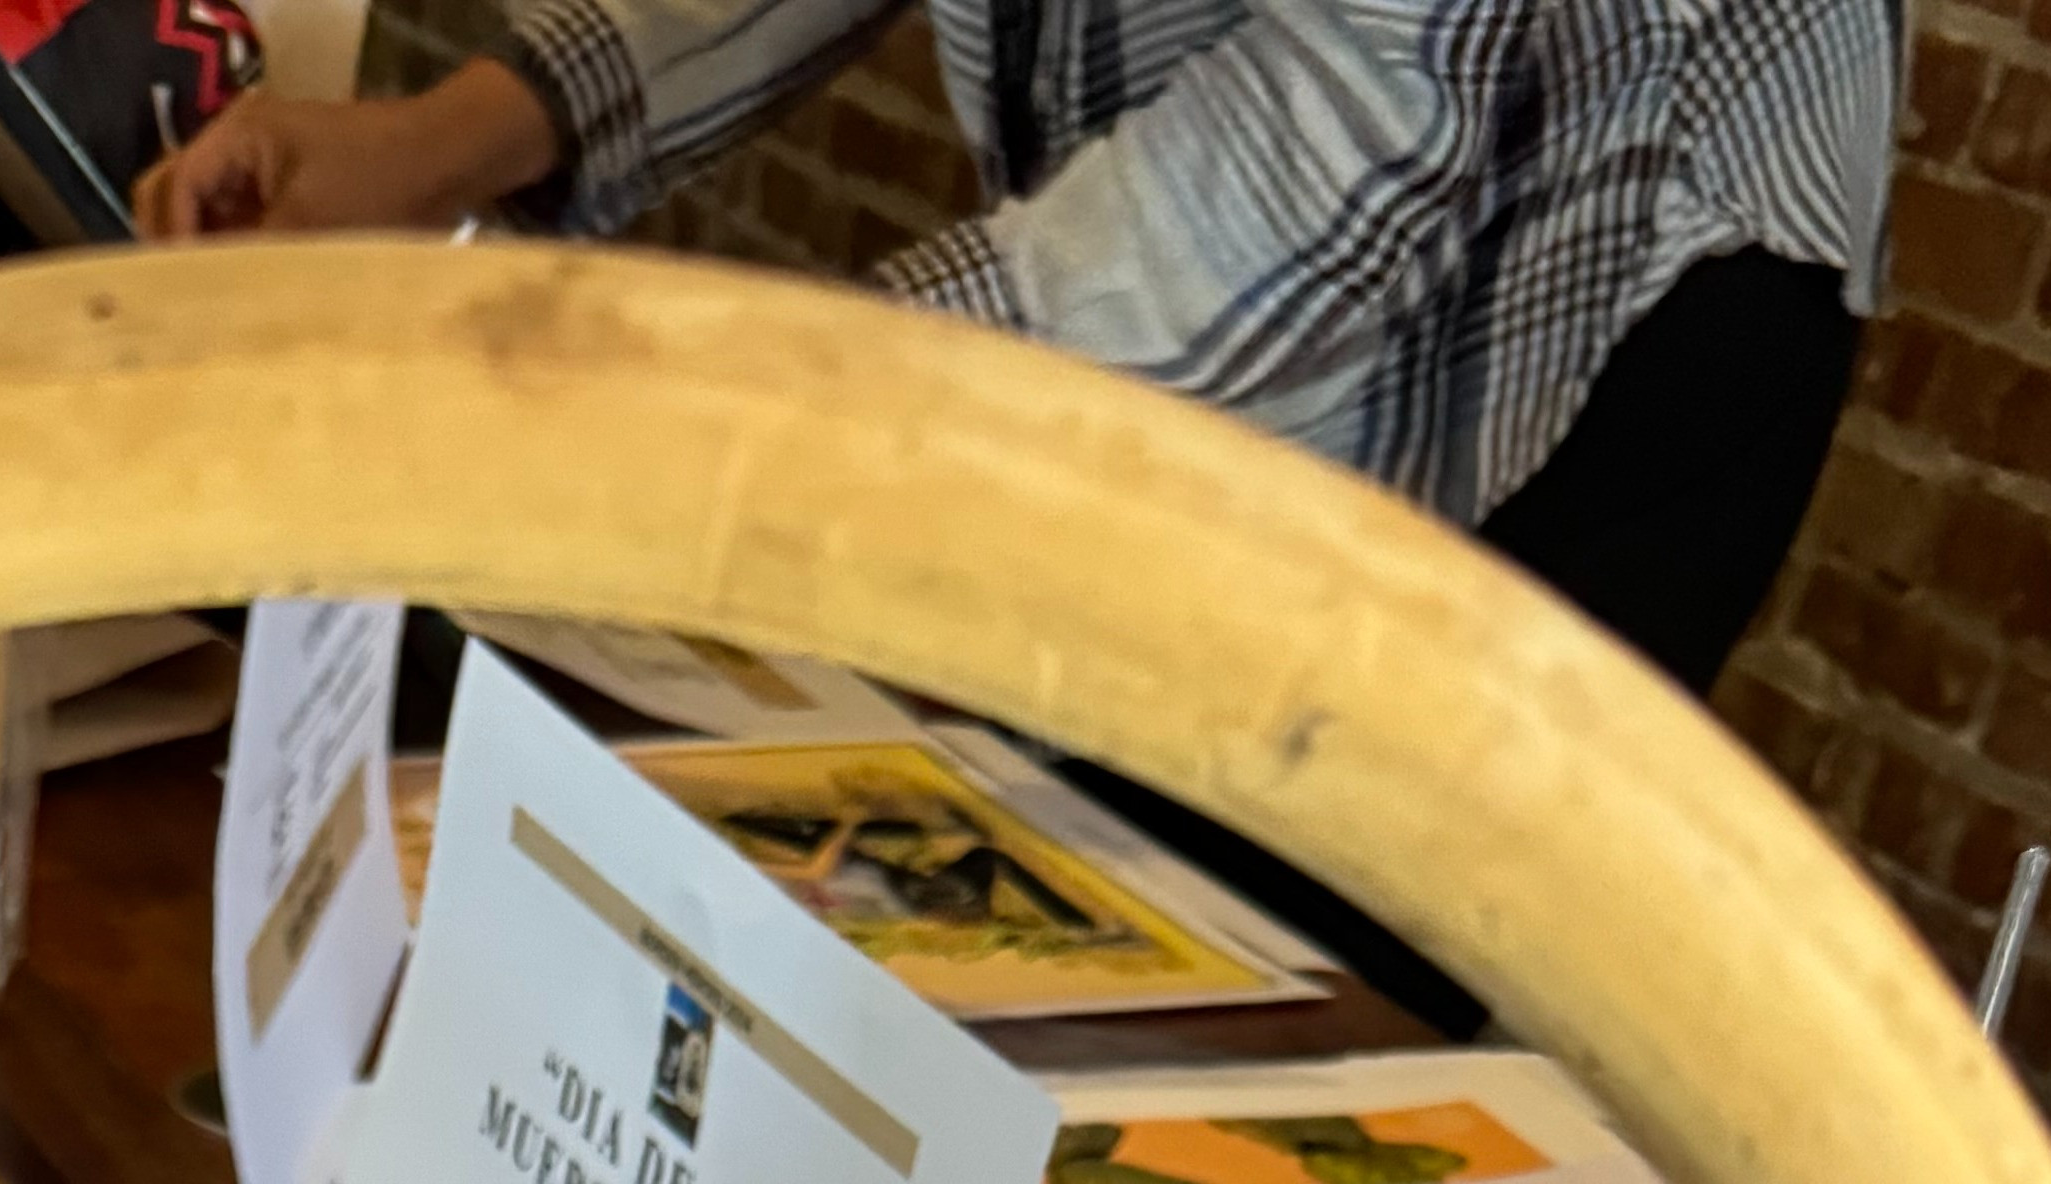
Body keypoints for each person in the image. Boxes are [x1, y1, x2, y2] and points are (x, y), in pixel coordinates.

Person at [135, 0, 1894, 706]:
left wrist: (663, 414)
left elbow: (1326, 155)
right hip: (1203, 229)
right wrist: (449, 137)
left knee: (1255, 1006)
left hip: (1581, 304)